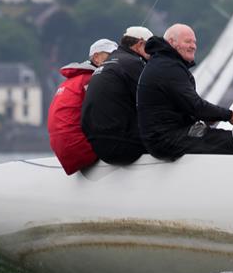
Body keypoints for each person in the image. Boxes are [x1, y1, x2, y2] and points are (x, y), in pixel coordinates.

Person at [137, 23, 233, 160]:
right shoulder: (168, 66)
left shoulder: (164, 62)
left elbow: (184, 107)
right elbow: (196, 106)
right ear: (171, 42)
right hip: (167, 140)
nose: (193, 46)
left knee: (226, 139)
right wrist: (231, 116)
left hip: (167, 137)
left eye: (194, 42)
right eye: (187, 41)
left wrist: (208, 117)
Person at [81, 26, 153, 165]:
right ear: (140, 45)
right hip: (121, 147)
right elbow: (154, 102)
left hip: (97, 146)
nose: (153, 55)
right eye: (151, 49)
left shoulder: (109, 64)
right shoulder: (134, 63)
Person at [47, 39, 118, 175]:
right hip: (79, 149)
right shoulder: (92, 80)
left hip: (62, 148)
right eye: (111, 56)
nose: (115, 60)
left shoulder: (72, 80)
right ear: (96, 58)